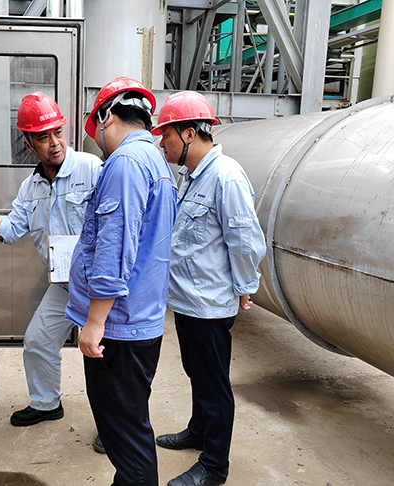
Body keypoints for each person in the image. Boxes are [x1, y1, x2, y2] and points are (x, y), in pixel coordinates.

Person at [0, 92, 103, 429]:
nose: (54, 143)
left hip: (102, 284)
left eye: (58, 132)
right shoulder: (31, 188)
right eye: (43, 137)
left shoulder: (93, 170)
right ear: (29, 144)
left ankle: (115, 428)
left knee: (106, 356)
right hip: (64, 284)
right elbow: (10, 231)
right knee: (38, 341)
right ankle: (47, 404)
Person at [65, 77, 178, 486]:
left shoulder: (126, 162)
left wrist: (94, 323)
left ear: (107, 116)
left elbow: (114, 247)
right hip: (139, 321)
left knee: (126, 442)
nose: (97, 141)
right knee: (130, 427)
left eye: (95, 130)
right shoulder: (156, 163)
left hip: (118, 329)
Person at [151, 91, 266, 486]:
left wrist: (246, 286)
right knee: (196, 373)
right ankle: (198, 431)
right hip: (188, 300)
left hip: (210, 304)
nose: (161, 144)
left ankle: (214, 466)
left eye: (166, 135)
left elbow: (245, 241)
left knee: (214, 385)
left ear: (188, 133)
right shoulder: (191, 176)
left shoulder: (226, 176)